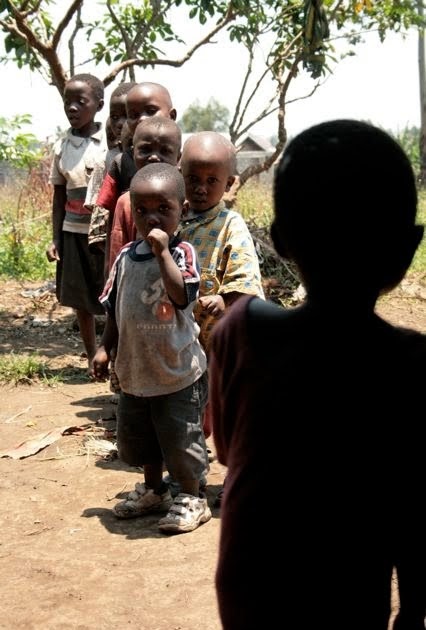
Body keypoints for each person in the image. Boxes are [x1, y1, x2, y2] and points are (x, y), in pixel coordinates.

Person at [209, 119, 426, 629]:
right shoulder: (409, 364)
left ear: (280, 241)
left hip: (251, 593)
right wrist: (414, 609)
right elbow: (416, 508)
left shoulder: (240, 332)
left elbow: (227, 450)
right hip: (347, 595)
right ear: (407, 249)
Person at [92, 162, 211, 534]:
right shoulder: (125, 257)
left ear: (182, 210)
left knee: (180, 439)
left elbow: (181, 296)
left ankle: (192, 496)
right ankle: (154, 489)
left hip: (177, 373)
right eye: (142, 210)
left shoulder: (181, 253)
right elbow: (115, 308)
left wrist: (162, 255)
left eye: (163, 208)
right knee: (142, 439)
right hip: (137, 371)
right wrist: (104, 347)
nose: (152, 218)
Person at [179, 131, 264, 502]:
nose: (201, 188)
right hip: (186, 343)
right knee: (191, 416)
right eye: (193, 179)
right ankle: (191, 479)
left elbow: (245, 280)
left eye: (211, 180)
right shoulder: (175, 220)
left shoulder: (231, 224)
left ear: (229, 184)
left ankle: (237, 477)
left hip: (225, 345)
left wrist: (223, 299)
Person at [46, 73, 106, 371]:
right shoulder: (62, 147)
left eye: (80, 102)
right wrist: (56, 238)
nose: (72, 108)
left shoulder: (109, 144)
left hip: (104, 235)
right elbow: (59, 198)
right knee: (81, 299)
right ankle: (92, 356)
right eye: (67, 101)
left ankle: (114, 355)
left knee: (112, 294)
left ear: (99, 105)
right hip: (73, 232)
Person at [108, 115, 182, 270]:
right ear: (133, 153)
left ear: (178, 157)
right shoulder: (125, 202)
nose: (154, 157)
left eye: (165, 151)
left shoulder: (183, 199)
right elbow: (117, 257)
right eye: (145, 150)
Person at [86, 81, 136, 256]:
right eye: (115, 117)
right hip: (118, 233)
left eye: (127, 115)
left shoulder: (157, 156)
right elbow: (102, 207)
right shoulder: (109, 159)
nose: (121, 123)